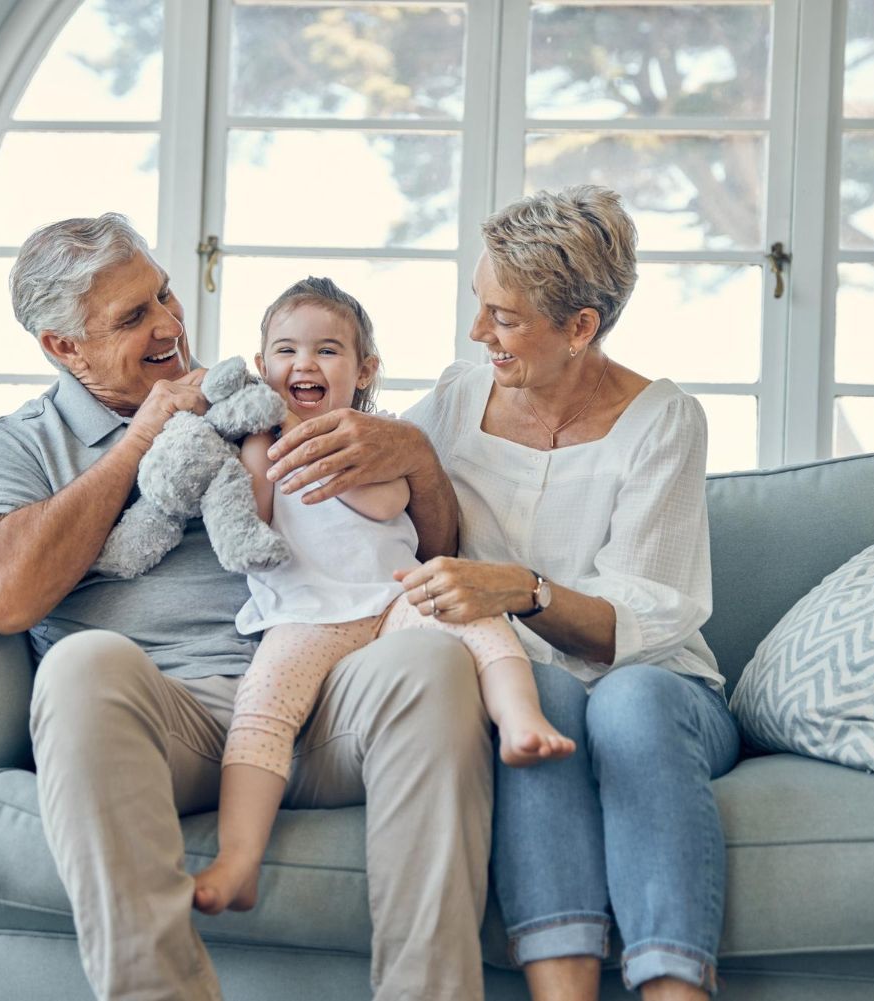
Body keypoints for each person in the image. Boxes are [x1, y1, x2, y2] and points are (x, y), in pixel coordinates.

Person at [0, 214, 495, 1001]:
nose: (171, 325)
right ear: (62, 347)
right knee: (77, 666)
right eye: (134, 317)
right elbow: (3, 595)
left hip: (329, 696)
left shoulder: (259, 395)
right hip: (178, 718)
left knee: (431, 656)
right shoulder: (14, 443)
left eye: (165, 294)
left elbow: (426, 548)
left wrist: (414, 458)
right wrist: (143, 438)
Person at [267, 186, 740, 999]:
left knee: (628, 704)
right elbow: (363, 501)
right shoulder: (454, 398)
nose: (480, 332)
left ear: (580, 326)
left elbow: (648, 618)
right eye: (479, 306)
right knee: (543, 699)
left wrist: (521, 588)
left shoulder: (665, 422)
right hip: (526, 681)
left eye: (506, 317)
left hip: (662, 687)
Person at [191, 277, 575, 916]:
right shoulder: (256, 441)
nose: (304, 365)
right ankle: (239, 859)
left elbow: (384, 501)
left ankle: (520, 719)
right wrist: (257, 444)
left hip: (390, 597)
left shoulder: (377, 432)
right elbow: (252, 521)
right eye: (286, 352)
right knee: (260, 710)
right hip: (304, 613)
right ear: (262, 369)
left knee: (477, 620)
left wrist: (320, 442)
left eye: (328, 352)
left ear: (364, 369)